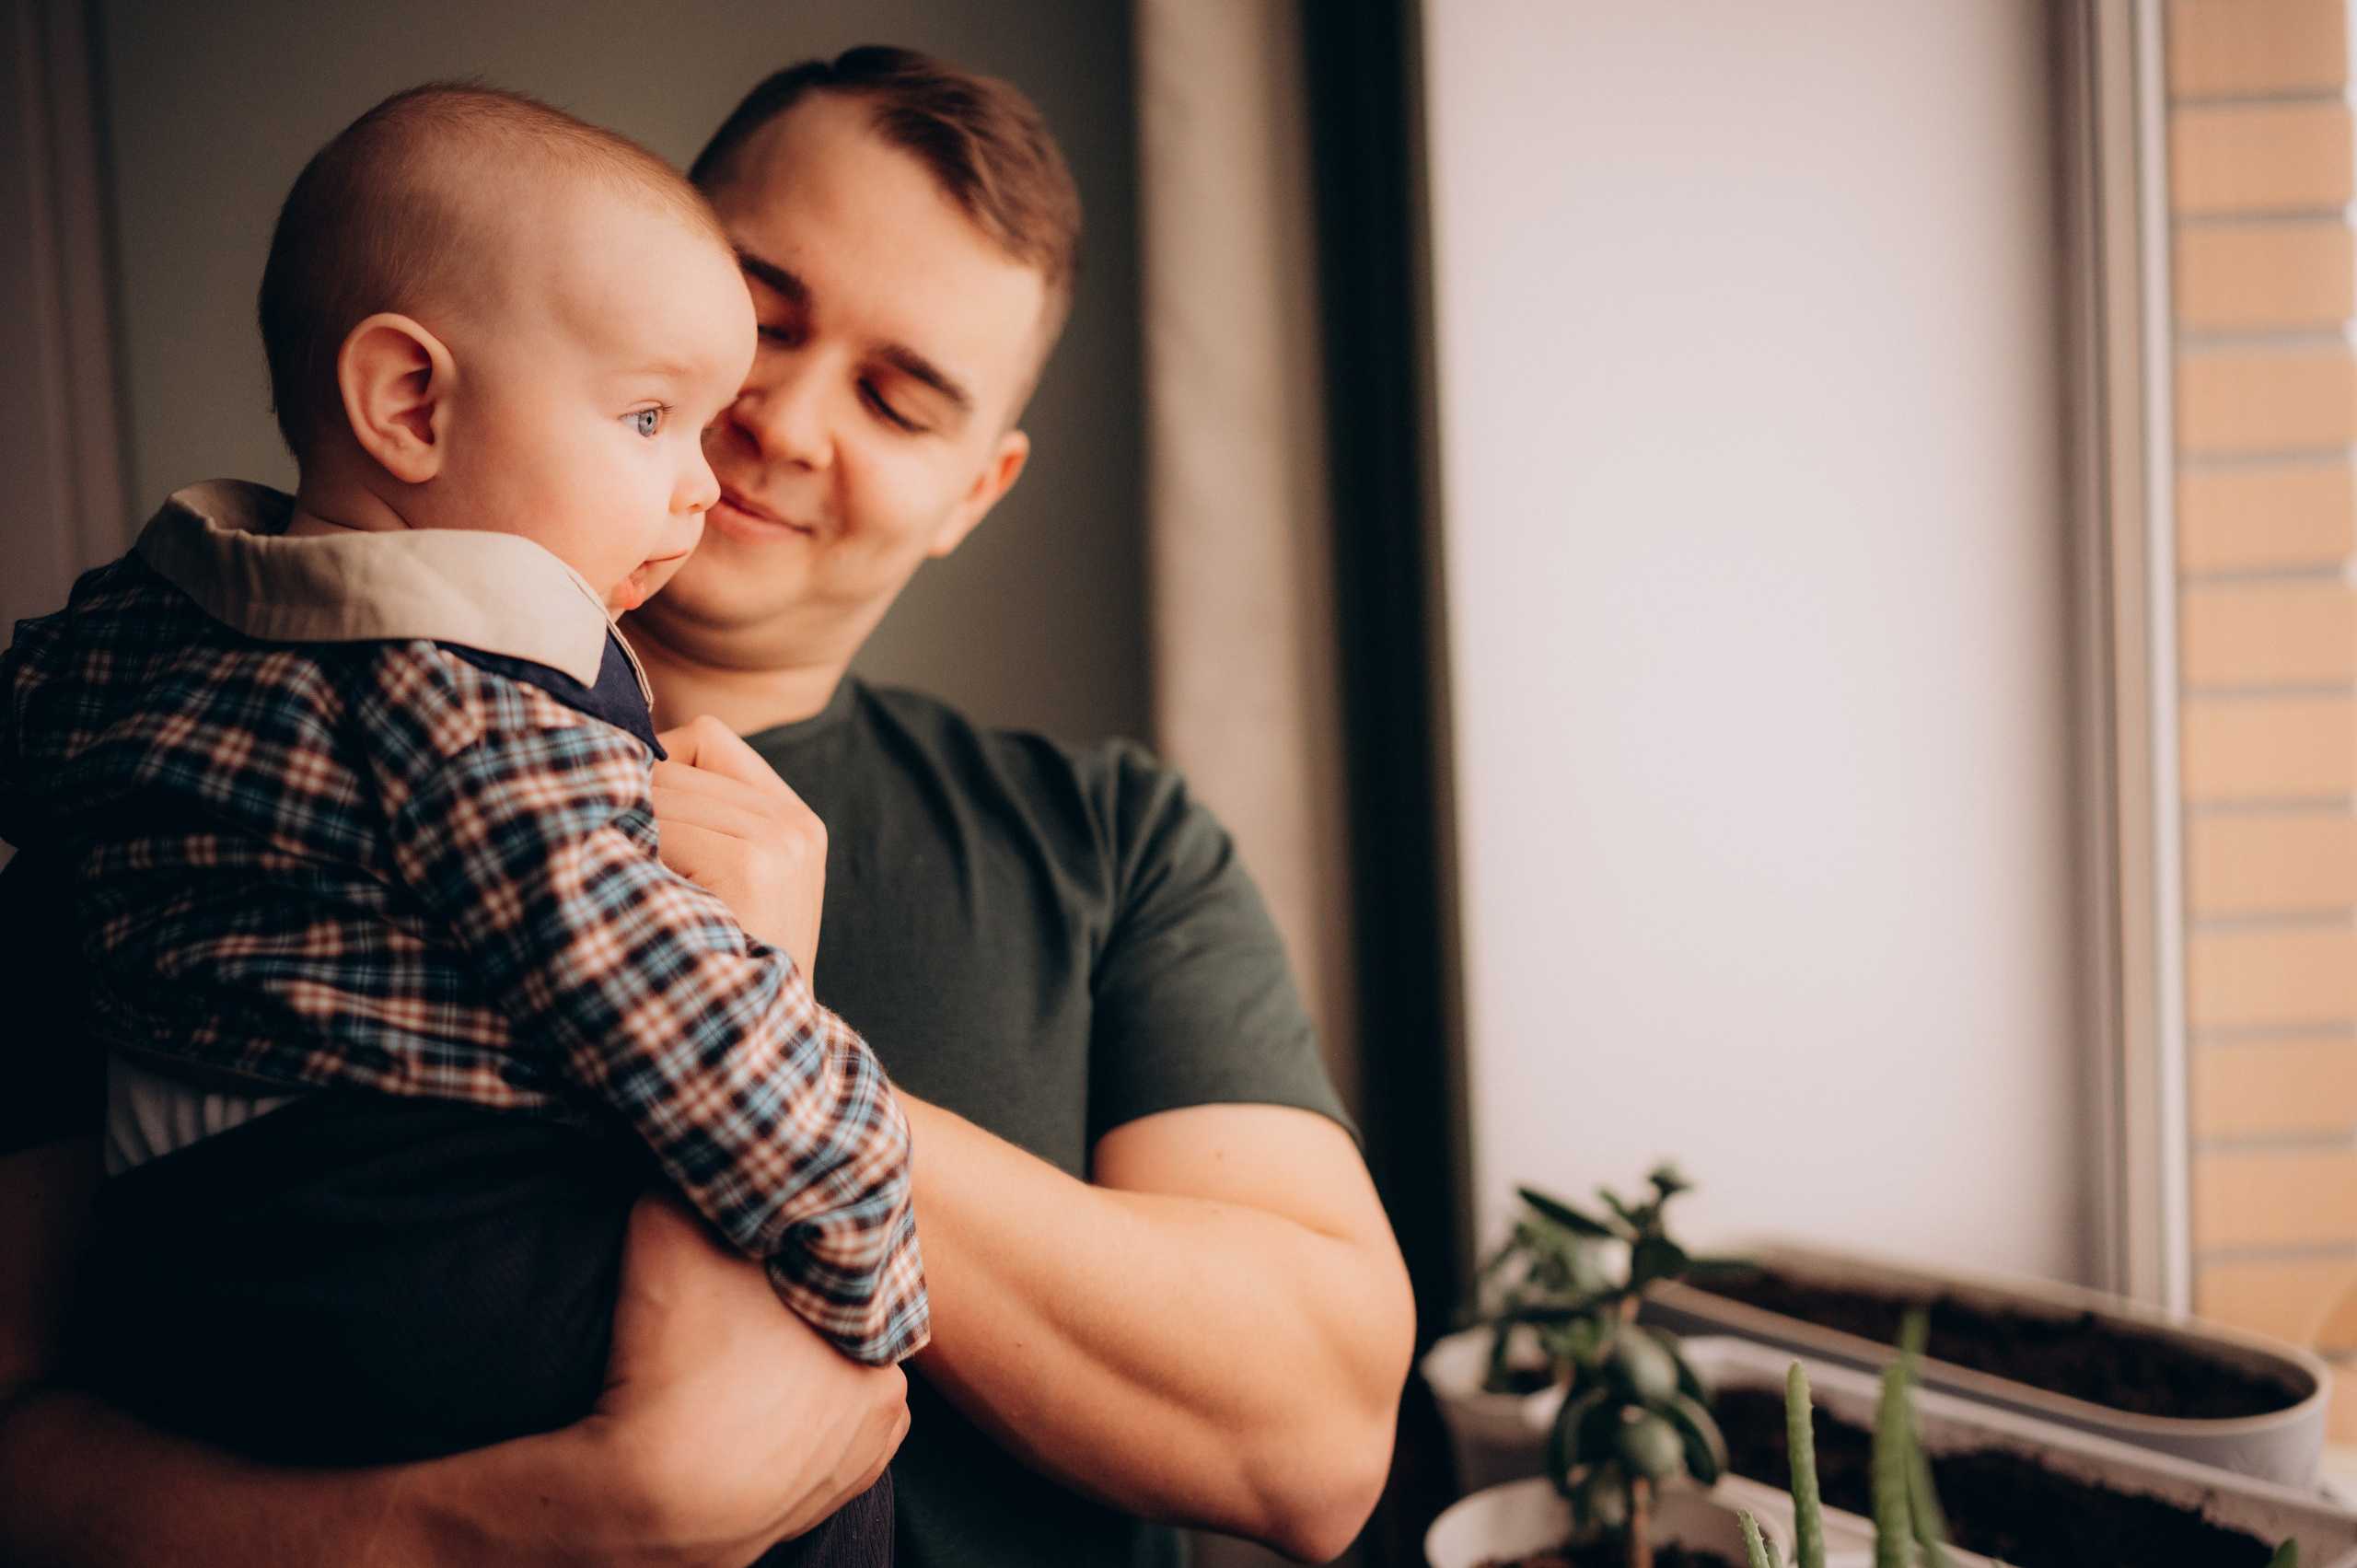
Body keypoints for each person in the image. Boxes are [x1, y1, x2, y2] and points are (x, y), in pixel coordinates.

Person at [0, 45, 1416, 1568]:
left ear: (975, 493)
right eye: (759, 321)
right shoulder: (202, 778)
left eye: (896, 396)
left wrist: (752, 1006)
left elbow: (1316, 1446)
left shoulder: (1113, 843)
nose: (781, 421)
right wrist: (509, 1537)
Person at [0, 81, 921, 1559]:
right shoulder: (479, 718)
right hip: (434, 1267)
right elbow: (687, 1033)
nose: (705, 481)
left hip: (193, 1300)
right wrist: (868, 1237)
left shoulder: (131, 641)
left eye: (901, 393)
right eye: (649, 417)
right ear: (410, 403)